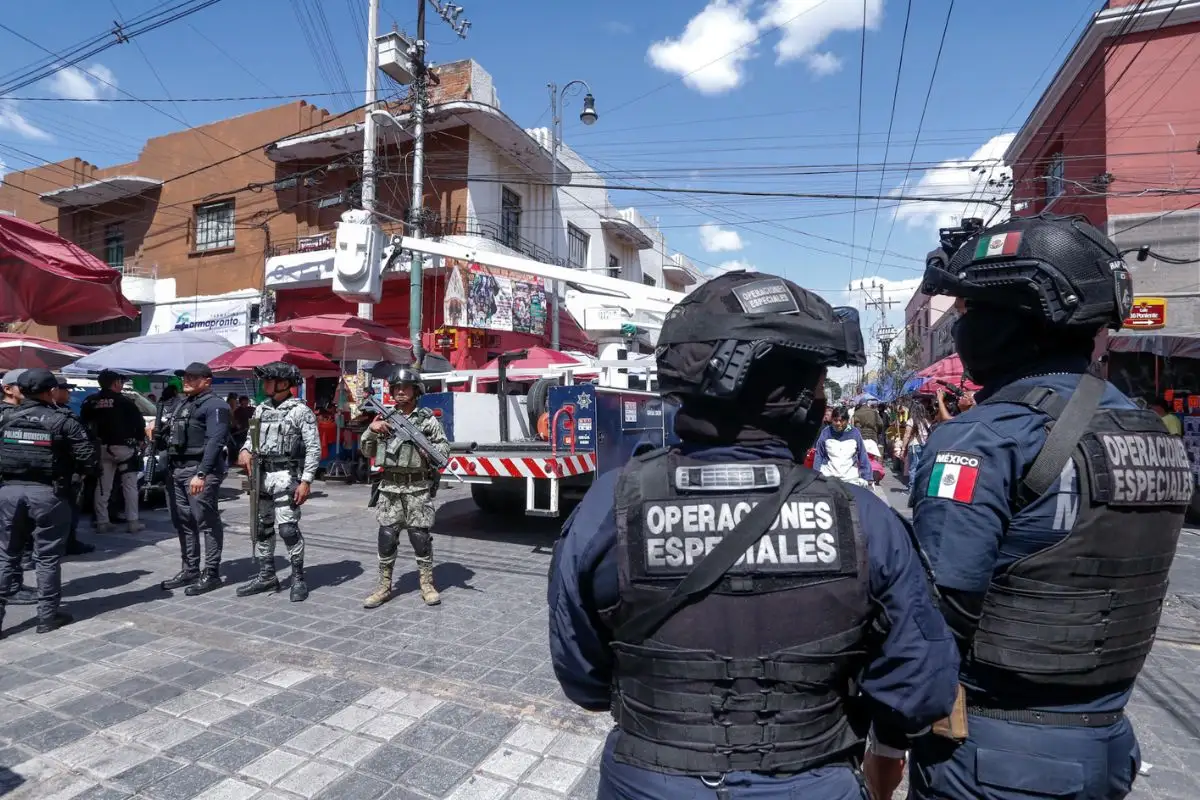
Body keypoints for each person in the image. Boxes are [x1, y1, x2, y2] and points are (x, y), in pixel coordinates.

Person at [548, 270, 960, 799]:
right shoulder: (865, 519)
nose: (822, 399)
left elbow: (581, 676)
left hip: (646, 782)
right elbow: (920, 691)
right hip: (813, 782)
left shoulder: (608, 504)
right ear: (792, 398)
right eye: (819, 385)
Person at [891, 214, 1190, 800]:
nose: (963, 330)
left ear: (1016, 319)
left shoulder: (984, 438)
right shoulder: (1150, 430)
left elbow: (935, 617)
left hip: (995, 754)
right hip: (1106, 743)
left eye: (973, 311)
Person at [0, 369, 98, 637]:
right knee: (47, 557)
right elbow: (89, 459)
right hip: (48, 495)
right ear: (51, 391)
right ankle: (47, 616)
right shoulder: (63, 421)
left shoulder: (5, 418)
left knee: (6, 555)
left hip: (9, 493)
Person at [359, 367, 450, 609]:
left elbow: (443, 450)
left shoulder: (427, 420)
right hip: (389, 487)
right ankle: (384, 586)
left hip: (417, 487)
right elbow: (366, 450)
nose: (400, 392)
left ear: (416, 391)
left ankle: (427, 584)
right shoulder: (384, 418)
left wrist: (427, 449)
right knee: (387, 536)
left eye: (405, 388)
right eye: (396, 388)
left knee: (419, 536)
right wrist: (371, 430)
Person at [236, 362, 320, 602]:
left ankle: (298, 578)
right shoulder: (261, 410)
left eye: (269, 380)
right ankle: (267, 576)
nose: (264, 385)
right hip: (261, 476)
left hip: (286, 475)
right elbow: (251, 439)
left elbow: (313, 448)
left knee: (287, 530)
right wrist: (244, 450)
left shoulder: (301, 411)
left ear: (283, 383)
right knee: (262, 528)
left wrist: (306, 481)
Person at [160, 362, 230, 595]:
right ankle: (190, 569)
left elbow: (215, 441)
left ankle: (211, 573)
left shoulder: (215, 405)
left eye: (192, 377)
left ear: (207, 381)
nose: (186, 381)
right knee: (183, 521)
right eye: (185, 377)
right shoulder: (183, 403)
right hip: (176, 470)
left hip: (198, 471)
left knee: (207, 522)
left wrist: (202, 473)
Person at [80, 369, 147, 534]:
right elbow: (139, 424)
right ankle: (133, 522)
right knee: (130, 486)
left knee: (103, 486)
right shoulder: (125, 401)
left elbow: (83, 424)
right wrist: (140, 441)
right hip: (124, 449)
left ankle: (102, 522)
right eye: (121, 382)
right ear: (116, 383)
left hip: (101, 448)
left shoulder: (90, 401)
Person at [0, 369, 36, 606]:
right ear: (7, 389)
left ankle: (14, 584)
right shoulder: (6, 415)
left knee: (16, 538)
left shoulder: (25, 412)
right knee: (9, 540)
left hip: (17, 485)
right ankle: (10, 589)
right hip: (7, 484)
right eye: (23, 386)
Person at [813, 406, 873, 487]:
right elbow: (819, 455)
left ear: (847, 421)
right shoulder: (826, 432)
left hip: (850, 479)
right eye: (835, 420)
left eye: (841, 421)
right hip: (828, 477)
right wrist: (815, 474)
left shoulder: (854, 433)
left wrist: (867, 476)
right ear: (832, 420)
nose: (838, 423)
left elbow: (862, 455)